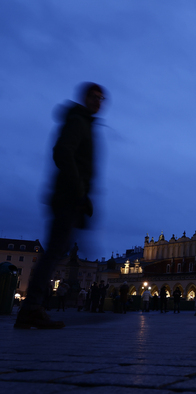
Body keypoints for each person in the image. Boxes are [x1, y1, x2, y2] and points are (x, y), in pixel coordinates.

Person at [15, 83, 106, 329]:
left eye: (102, 98)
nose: (99, 102)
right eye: (95, 97)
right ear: (85, 98)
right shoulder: (78, 122)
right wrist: (78, 190)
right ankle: (31, 308)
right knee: (55, 252)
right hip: (68, 198)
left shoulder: (85, 122)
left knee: (58, 251)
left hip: (71, 197)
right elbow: (63, 152)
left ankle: (31, 308)